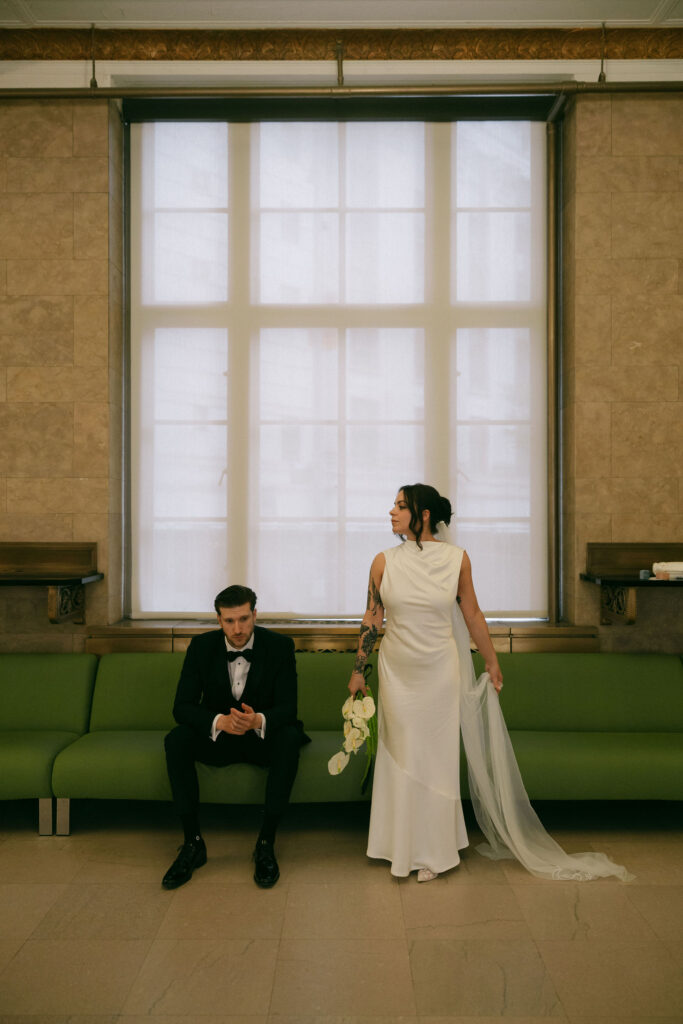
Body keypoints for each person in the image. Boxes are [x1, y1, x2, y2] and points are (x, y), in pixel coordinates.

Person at [348, 483, 632, 884]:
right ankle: (397, 846)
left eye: (399, 506)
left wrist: (492, 661)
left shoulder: (456, 559)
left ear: (424, 514)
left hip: (439, 672)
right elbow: (372, 618)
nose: (390, 512)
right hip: (398, 672)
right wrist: (360, 669)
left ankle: (435, 851)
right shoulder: (382, 562)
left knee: (435, 759)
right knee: (403, 754)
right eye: (392, 506)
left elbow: (473, 614)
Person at [163, 584, 306, 889]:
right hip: (220, 740)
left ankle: (266, 843)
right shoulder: (200, 647)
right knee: (176, 739)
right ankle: (192, 843)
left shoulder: (280, 646)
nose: (238, 628)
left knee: (290, 738)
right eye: (229, 621)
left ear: (255, 614)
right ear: (218, 620)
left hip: (261, 740)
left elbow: (289, 708)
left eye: (243, 619)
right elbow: (182, 707)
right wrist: (220, 722)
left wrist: (258, 720)